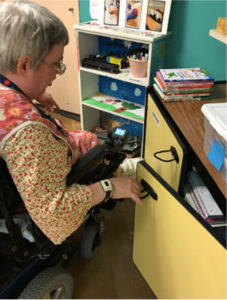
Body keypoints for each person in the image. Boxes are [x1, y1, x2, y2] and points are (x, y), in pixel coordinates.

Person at [0, 0, 142, 245]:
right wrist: (110, 187)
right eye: (56, 64)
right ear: (24, 65)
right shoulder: (29, 138)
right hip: (60, 165)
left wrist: (29, 93)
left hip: (45, 155)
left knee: (88, 136)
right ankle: (119, 170)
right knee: (94, 143)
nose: (57, 72)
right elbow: (53, 215)